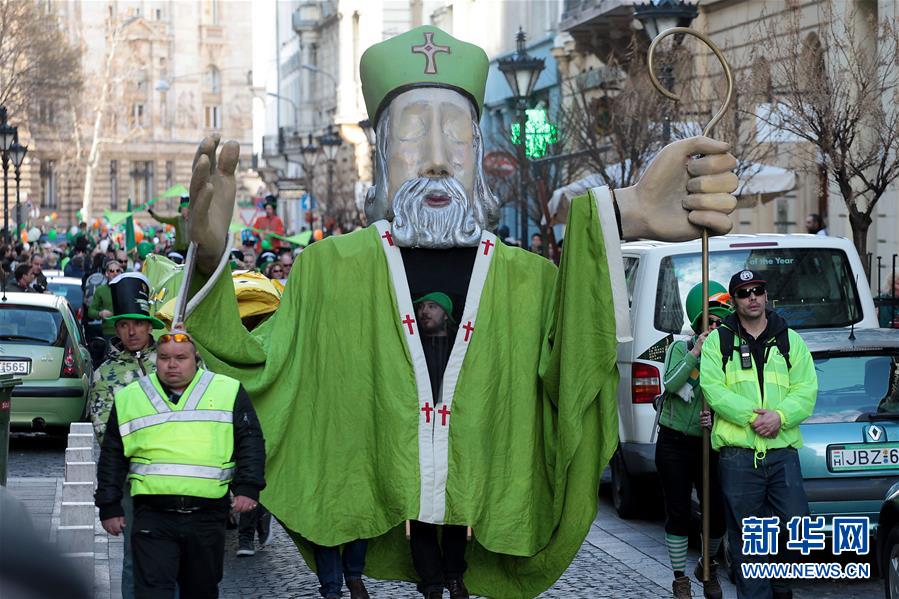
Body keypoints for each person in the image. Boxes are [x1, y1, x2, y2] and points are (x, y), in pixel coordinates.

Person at [182, 25, 738, 596]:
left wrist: (624, 213)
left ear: (476, 151)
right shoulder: (329, 271)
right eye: (412, 133)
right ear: (381, 152)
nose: (437, 160)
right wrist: (209, 262)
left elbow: (573, 373)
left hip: (478, 505)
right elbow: (257, 366)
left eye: (456, 136)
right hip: (378, 488)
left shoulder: (528, 280)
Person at [95, 328, 266, 598]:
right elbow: (113, 454)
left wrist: (248, 487)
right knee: (153, 592)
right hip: (153, 514)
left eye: (181, 358)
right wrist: (109, 504)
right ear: (157, 360)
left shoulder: (227, 390)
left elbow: (250, 440)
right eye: (164, 358)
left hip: (207, 514)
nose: (172, 364)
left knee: (201, 591)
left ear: (195, 359)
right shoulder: (131, 397)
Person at [700, 270, 818, 599]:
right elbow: (713, 389)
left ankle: (779, 583)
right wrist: (754, 419)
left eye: (757, 291)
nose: (752, 297)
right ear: (734, 301)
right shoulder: (718, 341)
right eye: (743, 292)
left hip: (782, 452)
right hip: (738, 456)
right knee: (747, 538)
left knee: (798, 526)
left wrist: (780, 417)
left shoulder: (790, 340)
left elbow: (806, 389)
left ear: (766, 296)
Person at [87, 272, 165, 599]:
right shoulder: (106, 375)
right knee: (136, 557)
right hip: (135, 481)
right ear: (116, 329)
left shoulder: (173, 360)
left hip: (181, 476)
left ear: (149, 325)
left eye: (138, 324)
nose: (131, 332)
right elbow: (105, 432)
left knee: (182, 559)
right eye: (123, 325)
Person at [657, 282, 731, 599]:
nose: (713, 327)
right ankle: (680, 580)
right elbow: (671, 384)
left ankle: (707, 566)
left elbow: (733, 398)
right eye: (708, 322)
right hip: (673, 443)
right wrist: (695, 354)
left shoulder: (728, 357)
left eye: (719, 323)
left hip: (708, 445)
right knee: (678, 512)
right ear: (699, 325)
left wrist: (715, 419)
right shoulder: (679, 349)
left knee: (716, 515)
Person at [408, 292, 470, 598]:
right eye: (421, 307)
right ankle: (432, 583)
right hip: (419, 439)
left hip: (454, 439)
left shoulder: (463, 348)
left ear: (446, 313)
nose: (424, 312)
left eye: (431, 306)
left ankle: (454, 577)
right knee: (420, 512)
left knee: (456, 510)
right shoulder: (411, 347)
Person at [88, 259, 125, 341]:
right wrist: (100, 313)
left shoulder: (126, 289)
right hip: (108, 332)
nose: (115, 273)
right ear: (106, 273)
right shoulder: (100, 290)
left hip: (125, 331)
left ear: (120, 273)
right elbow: (90, 311)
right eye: (112, 271)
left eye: (117, 271)